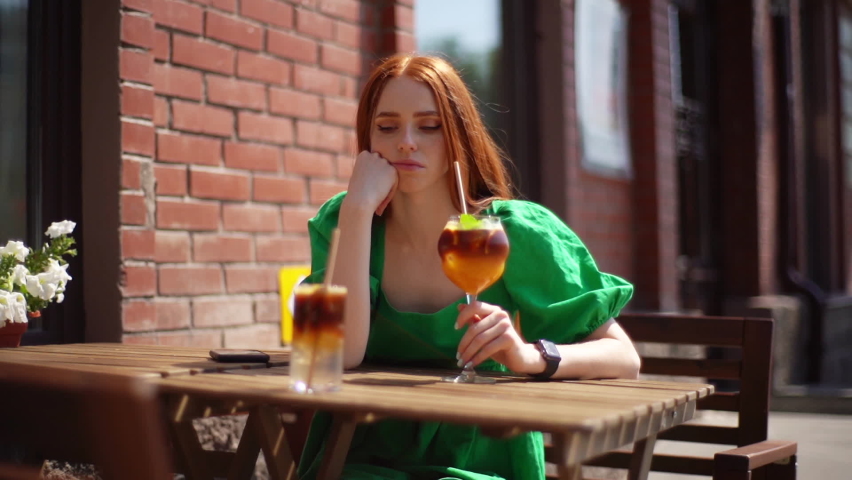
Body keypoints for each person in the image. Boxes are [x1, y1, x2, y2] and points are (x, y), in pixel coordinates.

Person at [299, 53, 641, 480]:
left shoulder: (513, 232)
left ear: (458, 134)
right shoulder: (343, 221)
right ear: (368, 138)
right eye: (387, 127)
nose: (406, 141)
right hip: (359, 455)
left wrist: (527, 356)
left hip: (478, 460)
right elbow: (330, 357)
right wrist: (357, 211)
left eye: (430, 126)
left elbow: (624, 357)